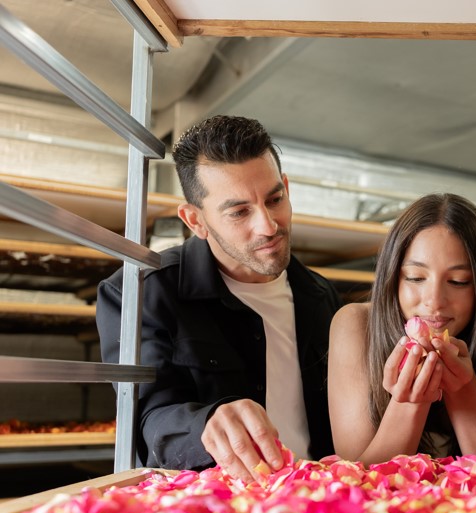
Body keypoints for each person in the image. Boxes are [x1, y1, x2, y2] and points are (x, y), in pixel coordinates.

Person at [96, 115, 341, 481]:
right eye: (240, 211)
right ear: (196, 220)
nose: (269, 226)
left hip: (320, 501)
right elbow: (149, 418)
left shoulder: (323, 297)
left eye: (275, 199)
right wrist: (205, 423)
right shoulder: (141, 294)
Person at [328, 193, 476, 465]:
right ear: (393, 277)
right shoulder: (355, 325)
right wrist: (409, 401)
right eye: (415, 278)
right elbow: (358, 479)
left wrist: (463, 388)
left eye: (459, 281)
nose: (434, 301)